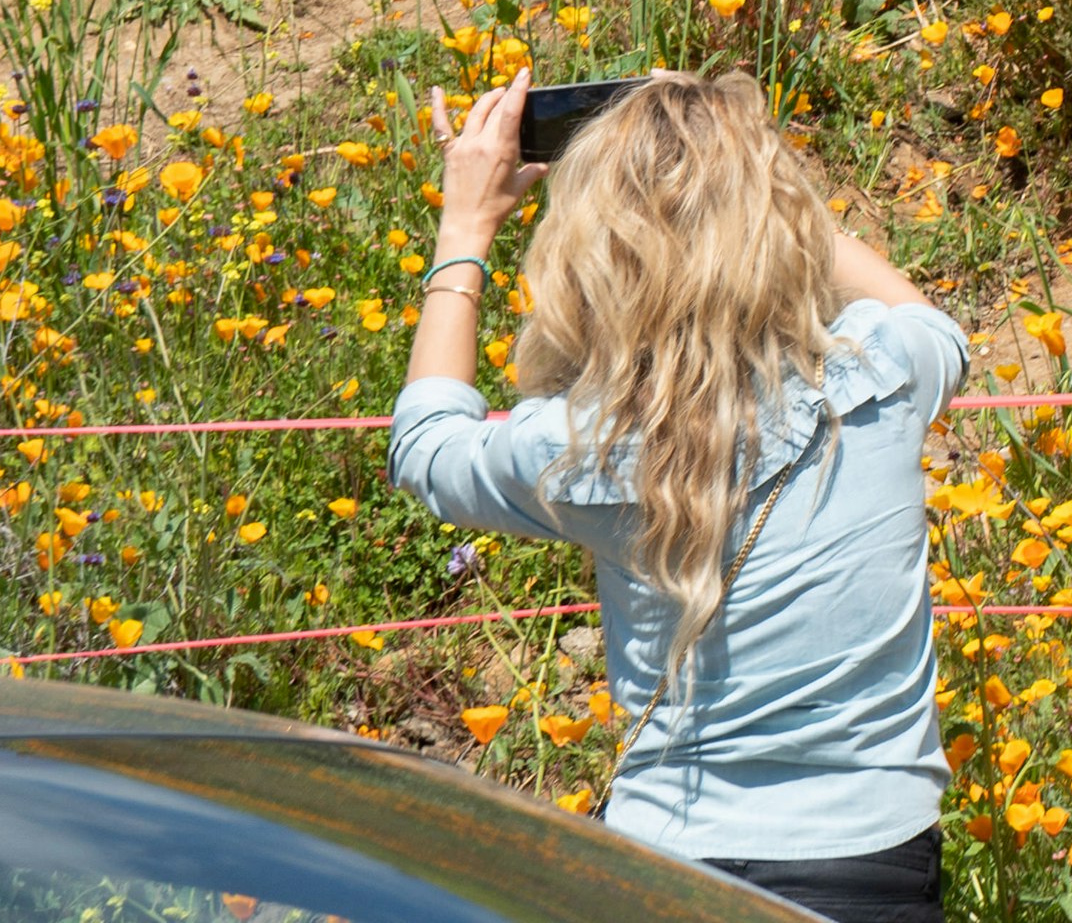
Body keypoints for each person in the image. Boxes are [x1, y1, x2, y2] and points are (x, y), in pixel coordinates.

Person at [394, 70, 970, 923]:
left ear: (594, 254)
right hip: (870, 866)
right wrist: (748, 165)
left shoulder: (581, 444)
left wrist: (465, 224)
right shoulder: (881, 376)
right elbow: (934, 325)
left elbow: (428, 444)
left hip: (663, 873)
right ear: (780, 225)